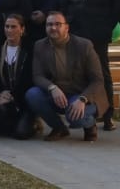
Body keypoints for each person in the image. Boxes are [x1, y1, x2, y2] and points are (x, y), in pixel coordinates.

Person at [58, 0, 120, 130]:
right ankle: (80, 111)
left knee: (101, 74)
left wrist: (105, 28)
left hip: (98, 36)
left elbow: (118, 7)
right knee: (75, 75)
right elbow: (63, 5)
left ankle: (107, 115)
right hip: (74, 35)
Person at [26, 12, 107, 141]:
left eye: (58, 24)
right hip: (58, 95)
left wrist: (82, 99)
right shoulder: (40, 46)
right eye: (49, 24)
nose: (53, 28)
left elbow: (97, 80)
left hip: (81, 94)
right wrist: (52, 88)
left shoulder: (84, 45)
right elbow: (37, 76)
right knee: (32, 94)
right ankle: (59, 128)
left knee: (75, 118)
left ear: (67, 28)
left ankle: (90, 124)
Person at [0, 14, 34, 139]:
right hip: (3, 98)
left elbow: (30, 79)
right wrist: (1, 93)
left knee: (21, 134)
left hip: (23, 99)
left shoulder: (29, 50)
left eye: (13, 27)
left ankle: (31, 122)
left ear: (22, 29)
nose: (9, 30)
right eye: (7, 26)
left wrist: (13, 95)